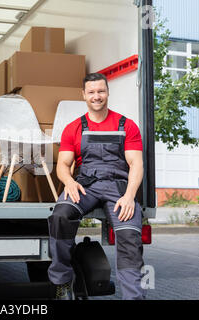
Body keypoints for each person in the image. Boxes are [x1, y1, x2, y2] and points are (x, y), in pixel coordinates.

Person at [47, 72, 146, 300]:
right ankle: (62, 282)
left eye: (101, 91)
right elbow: (63, 164)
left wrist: (130, 196)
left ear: (108, 92)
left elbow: (136, 164)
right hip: (85, 184)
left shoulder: (126, 125)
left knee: (130, 236)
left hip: (117, 185)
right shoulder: (74, 127)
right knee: (60, 216)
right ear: (84, 95)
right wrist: (69, 182)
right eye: (91, 92)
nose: (97, 96)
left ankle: (133, 297)